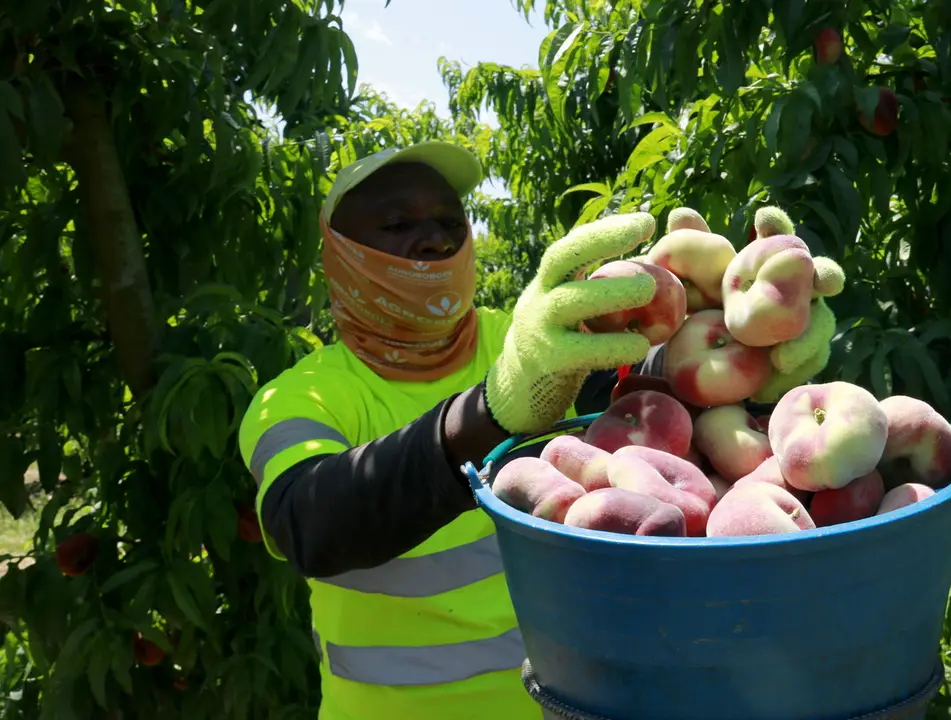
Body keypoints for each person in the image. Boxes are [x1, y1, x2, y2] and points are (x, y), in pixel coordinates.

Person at [236, 139, 843, 720]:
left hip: (565, 708)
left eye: (451, 222)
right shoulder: (299, 398)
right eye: (397, 224)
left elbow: (635, 410)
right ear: (341, 251)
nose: (435, 238)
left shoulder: (530, 341)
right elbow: (309, 525)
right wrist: (488, 410)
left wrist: (742, 351)